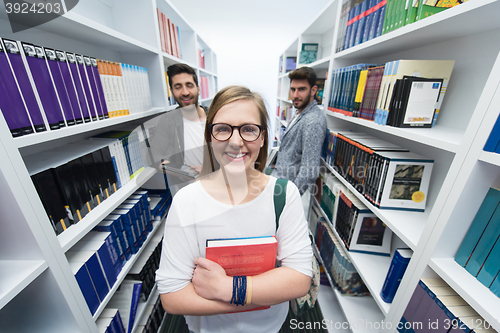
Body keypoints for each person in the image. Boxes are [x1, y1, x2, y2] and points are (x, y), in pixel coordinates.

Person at [155, 86, 312, 333]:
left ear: (262, 137)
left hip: (270, 328)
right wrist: (256, 299)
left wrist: (226, 289)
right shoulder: (187, 201)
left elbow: (300, 278)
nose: (236, 142)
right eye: (223, 129)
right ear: (210, 136)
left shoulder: (283, 194)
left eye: (249, 129)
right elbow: (173, 297)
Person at [142, 63, 207, 193]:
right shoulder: (167, 121)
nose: (185, 92)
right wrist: (182, 171)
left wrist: (210, 169)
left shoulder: (217, 118)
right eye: (178, 87)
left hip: (220, 185)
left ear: (198, 89)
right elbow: (154, 155)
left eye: (189, 85)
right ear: (172, 92)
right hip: (188, 190)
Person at [272, 66, 327, 195]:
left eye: (301, 89)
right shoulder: (300, 113)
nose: (295, 95)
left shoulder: (312, 121)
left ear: (313, 90)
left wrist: (289, 200)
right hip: (279, 182)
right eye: (293, 89)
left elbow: (309, 172)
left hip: (285, 192)